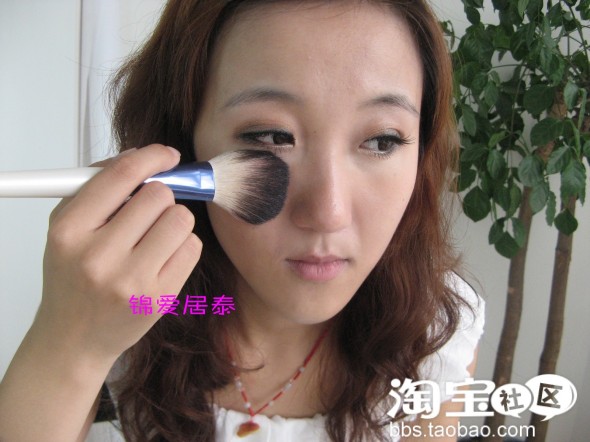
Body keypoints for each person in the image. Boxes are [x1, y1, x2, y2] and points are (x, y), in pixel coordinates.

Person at [0, 0, 485, 441]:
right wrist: (71, 340)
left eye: (382, 141)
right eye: (271, 136)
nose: (328, 214)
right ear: (185, 140)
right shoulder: (141, 302)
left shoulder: (433, 329)